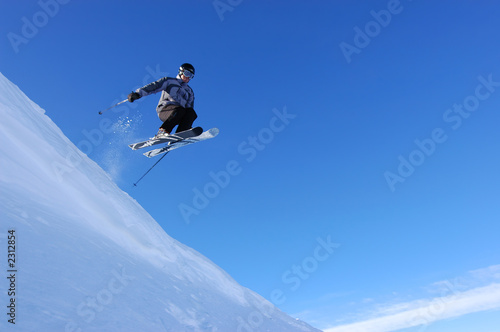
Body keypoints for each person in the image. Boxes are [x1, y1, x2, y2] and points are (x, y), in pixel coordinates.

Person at [128, 63, 196, 137]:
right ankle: (163, 131)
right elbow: (154, 86)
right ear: (181, 71)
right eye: (187, 73)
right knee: (180, 110)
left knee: (191, 113)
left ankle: (181, 134)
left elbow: (189, 107)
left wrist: (187, 123)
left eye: (191, 76)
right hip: (165, 110)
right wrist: (137, 94)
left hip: (179, 114)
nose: (188, 77)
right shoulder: (169, 81)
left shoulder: (189, 91)